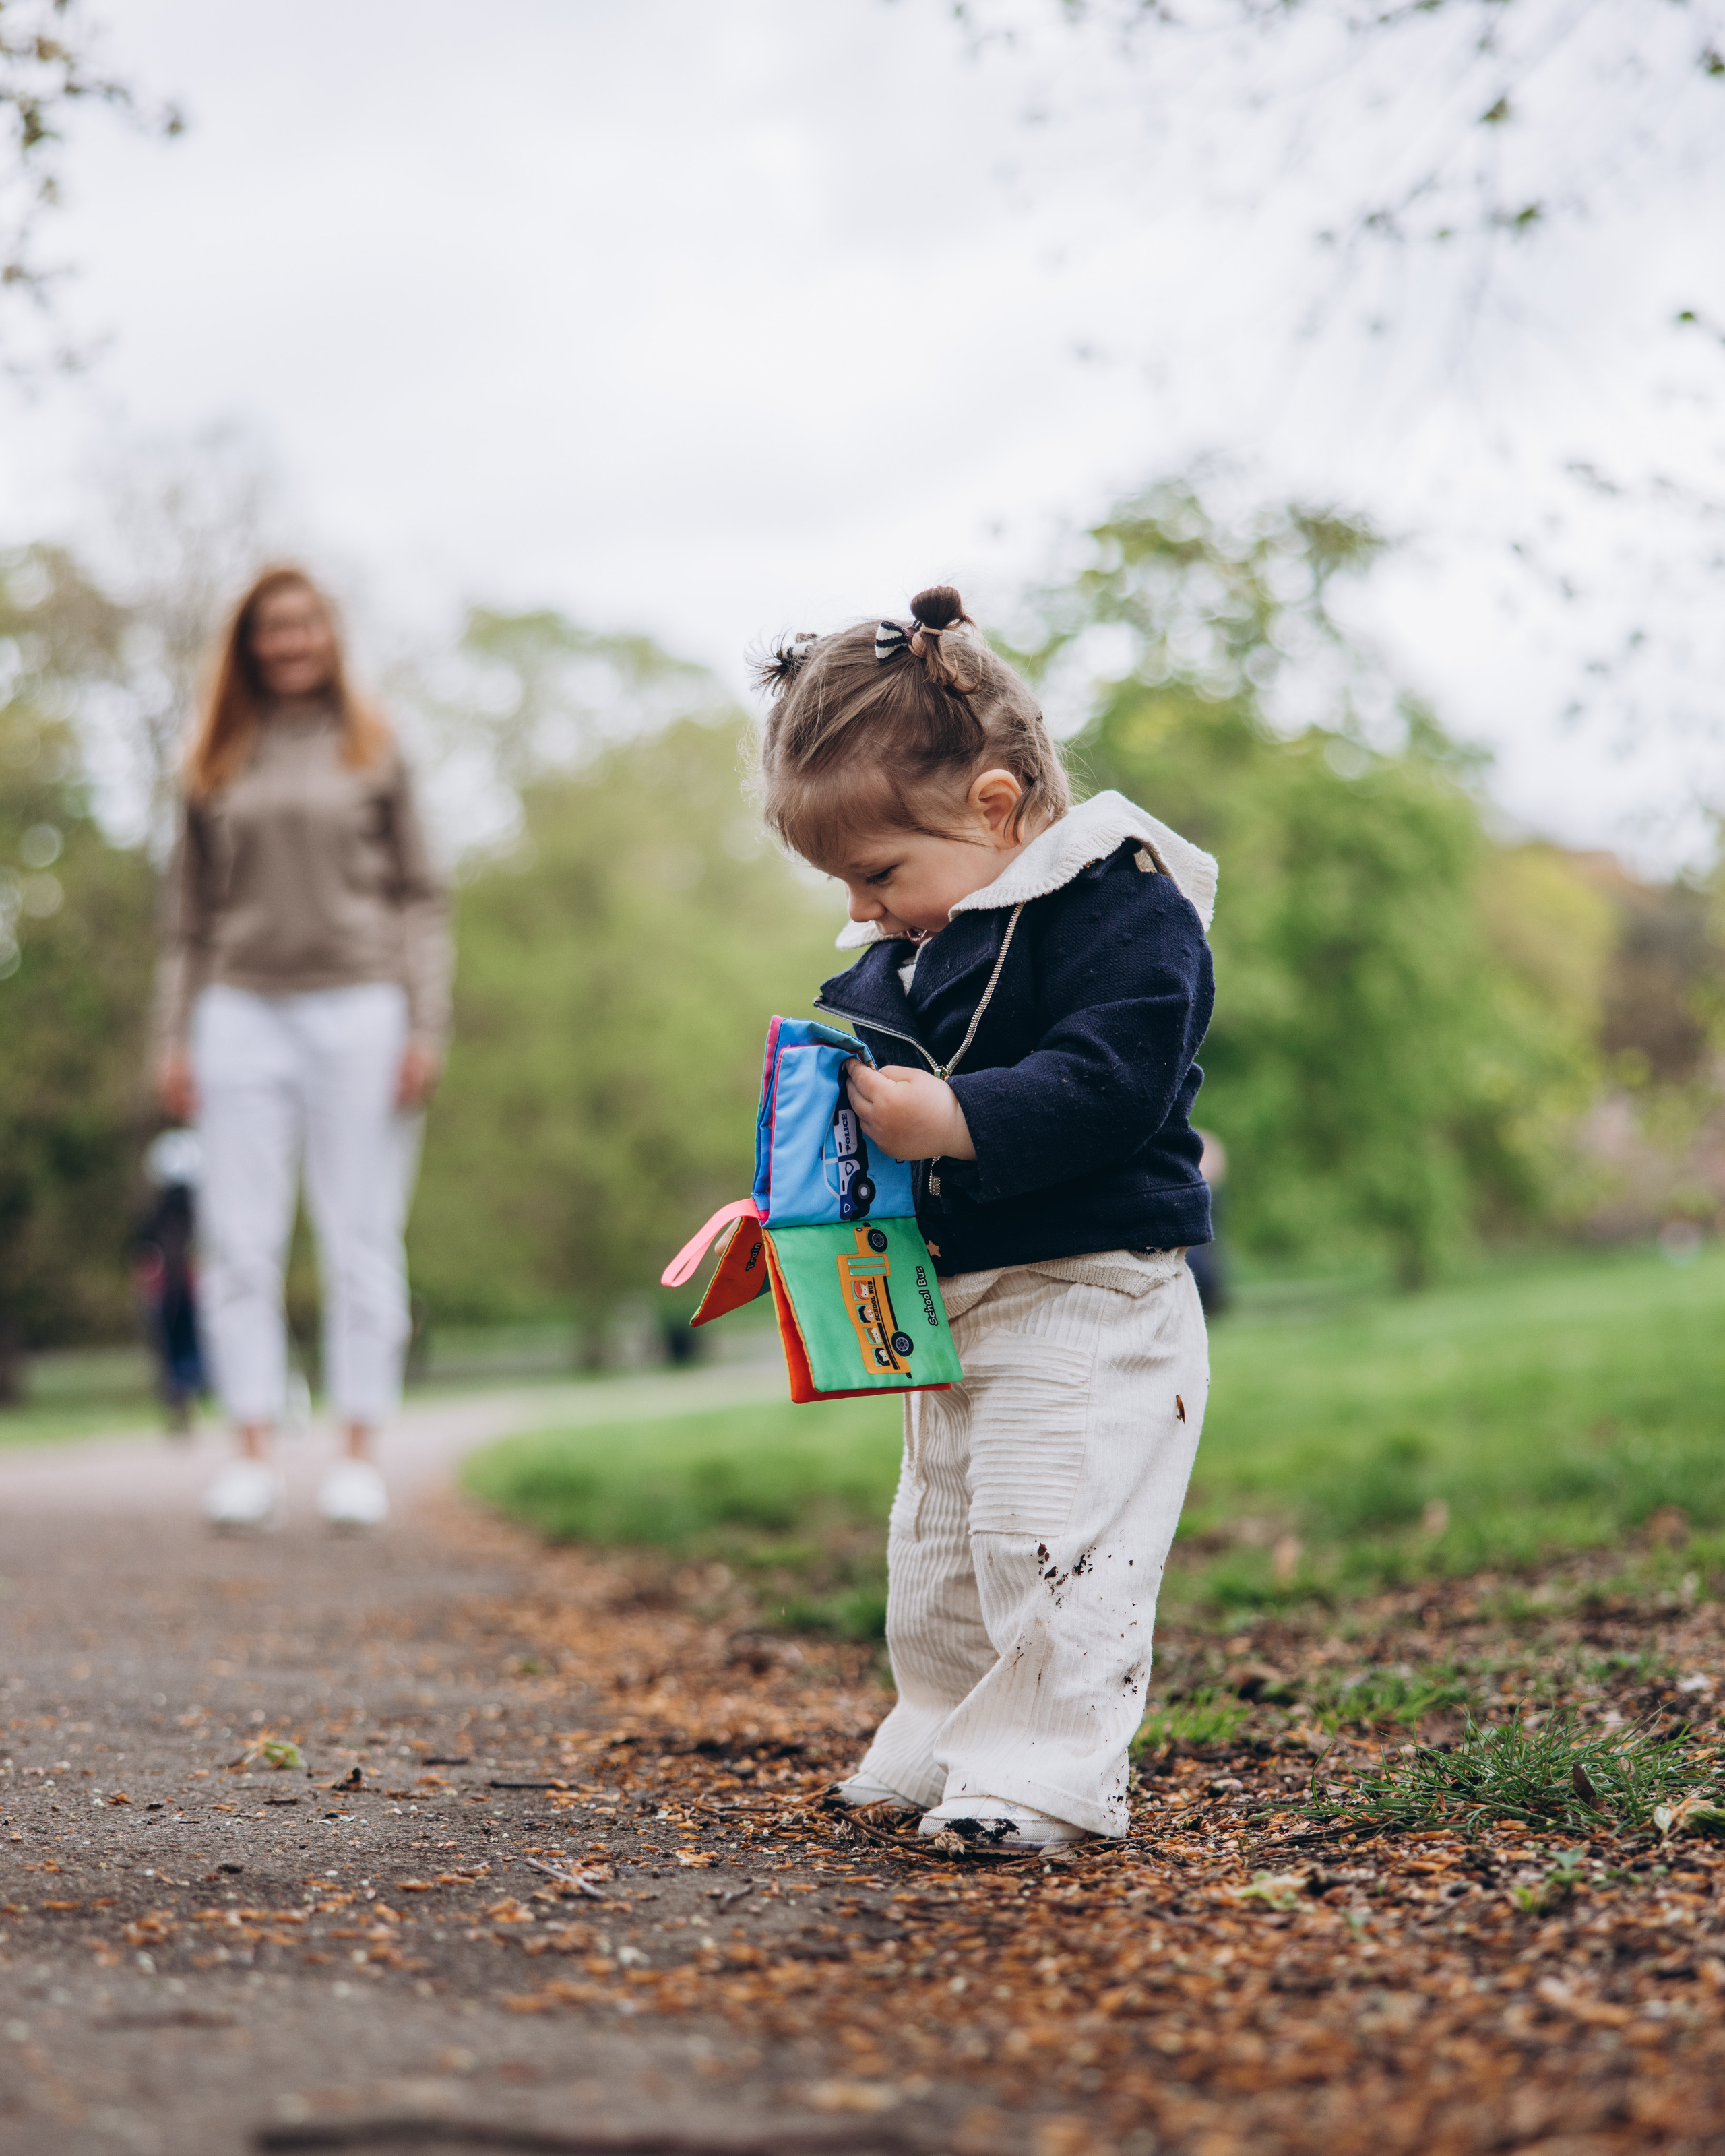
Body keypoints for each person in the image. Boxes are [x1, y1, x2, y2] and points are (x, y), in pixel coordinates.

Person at [753, 585, 1216, 1851]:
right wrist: (800, 1200)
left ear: (996, 807)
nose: (861, 908)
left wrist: (950, 1120)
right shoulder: (896, 963)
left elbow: (1113, 1084)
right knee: (941, 1543)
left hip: (1092, 1291)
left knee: (1043, 1525)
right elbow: (873, 1129)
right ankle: (943, 1730)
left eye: (878, 872)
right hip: (955, 1303)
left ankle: (1042, 1775)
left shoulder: (1124, 909)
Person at [151, 566, 451, 1531]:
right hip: (238, 1010)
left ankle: (358, 1452)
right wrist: (174, 1035)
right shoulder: (212, 757)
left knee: (360, 1233)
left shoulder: (375, 746)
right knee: (238, 1241)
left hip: (360, 1007)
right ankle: (248, 1450)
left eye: (305, 626)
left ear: (328, 637)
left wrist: (424, 1022)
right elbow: (186, 918)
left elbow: (421, 896)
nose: (290, 643)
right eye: (271, 629)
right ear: (247, 644)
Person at [133, 1128, 208, 1436]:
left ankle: (183, 1401)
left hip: (178, 1293)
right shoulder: (192, 1213)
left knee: (178, 1352)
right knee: (181, 1351)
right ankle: (183, 1402)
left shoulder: (162, 1215)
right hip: (177, 1292)